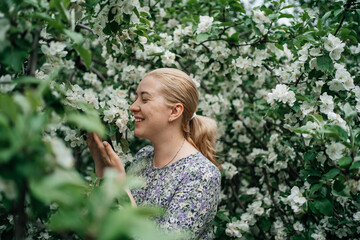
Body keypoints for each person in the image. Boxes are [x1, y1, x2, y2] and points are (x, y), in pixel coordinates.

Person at [86, 68, 221, 239]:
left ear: (174, 112)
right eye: (136, 98)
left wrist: (121, 185)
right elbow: (105, 228)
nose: (133, 106)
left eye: (144, 99)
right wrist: (101, 163)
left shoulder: (202, 174)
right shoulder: (144, 157)